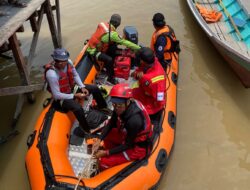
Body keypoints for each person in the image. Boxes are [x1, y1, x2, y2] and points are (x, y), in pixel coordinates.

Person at [45, 48, 109, 136]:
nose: (63, 63)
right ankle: (86, 130)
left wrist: (82, 87)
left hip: (71, 88)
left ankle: (102, 107)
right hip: (62, 96)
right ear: (56, 61)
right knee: (78, 108)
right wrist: (75, 95)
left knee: (94, 88)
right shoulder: (52, 74)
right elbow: (56, 95)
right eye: (61, 61)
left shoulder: (68, 63)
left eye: (65, 60)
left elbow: (75, 75)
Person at [92, 83, 153, 170]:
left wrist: (106, 153)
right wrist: (99, 139)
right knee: (107, 134)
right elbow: (112, 122)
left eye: (119, 105)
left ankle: (108, 165)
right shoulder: (121, 106)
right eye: (114, 105)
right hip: (129, 137)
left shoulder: (134, 120)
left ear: (128, 102)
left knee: (103, 162)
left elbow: (128, 144)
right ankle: (113, 152)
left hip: (137, 147)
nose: (116, 108)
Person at [87, 14, 141, 83]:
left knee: (113, 46)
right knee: (109, 60)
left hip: (95, 45)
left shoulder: (104, 24)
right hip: (93, 51)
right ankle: (111, 78)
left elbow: (107, 38)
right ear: (118, 24)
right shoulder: (112, 34)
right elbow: (125, 42)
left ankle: (113, 61)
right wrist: (139, 48)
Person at [132, 47, 166, 118]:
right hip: (144, 91)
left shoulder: (151, 79)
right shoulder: (154, 61)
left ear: (142, 61)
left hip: (150, 105)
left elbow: (160, 97)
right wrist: (136, 74)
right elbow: (138, 72)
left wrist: (150, 94)